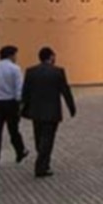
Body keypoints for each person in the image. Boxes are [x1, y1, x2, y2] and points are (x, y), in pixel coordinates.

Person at [21, 47, 76, 178]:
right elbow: (65, 91)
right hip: (52, 112)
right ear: (51, 57)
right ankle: (41, 166)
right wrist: (71, 107)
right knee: (48, 139)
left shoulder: (31, 71)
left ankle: (42, 160)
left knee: (39, 137)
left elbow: (25, 93)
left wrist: (22, 109)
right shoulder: (58, 72)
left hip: (36, 112)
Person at [0, 45, 28, 170]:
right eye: (15, 55)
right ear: (11, 55)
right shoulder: (15, 69)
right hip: (10, 103)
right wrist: (20, 103)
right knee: (13, 129)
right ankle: (20, 151)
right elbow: (19, 89)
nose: (16, 58)